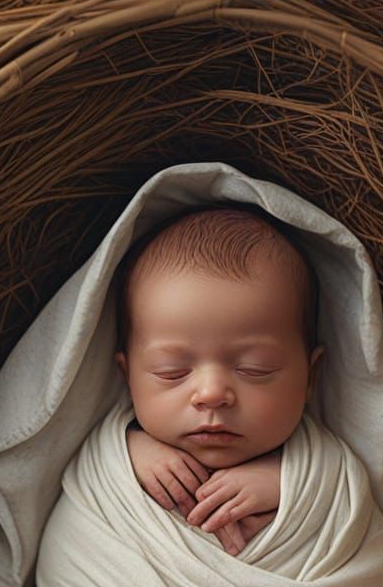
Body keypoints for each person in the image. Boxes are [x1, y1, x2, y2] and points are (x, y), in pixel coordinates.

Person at [112, 204, 325, 555]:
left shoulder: (328, 468)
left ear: (310, 377)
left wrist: (294, 484)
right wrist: (126, 454)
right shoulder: (107, 457)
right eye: (172, 372)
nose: (211, 394)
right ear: (128, 377)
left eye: (255, 369)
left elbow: (365, 552)